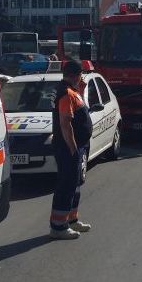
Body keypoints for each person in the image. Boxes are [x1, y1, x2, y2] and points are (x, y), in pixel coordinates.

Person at [49, 60, 94, 240]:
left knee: (75, 184)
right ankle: (58, 226)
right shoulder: (66, 94)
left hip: (77, 147)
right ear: (76, 75)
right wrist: (73, 148)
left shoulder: (73, 91)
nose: (82, 78)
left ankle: (71, 219)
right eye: (81, 75)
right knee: (66, 185)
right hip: (68, 148)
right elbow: (65, 123)